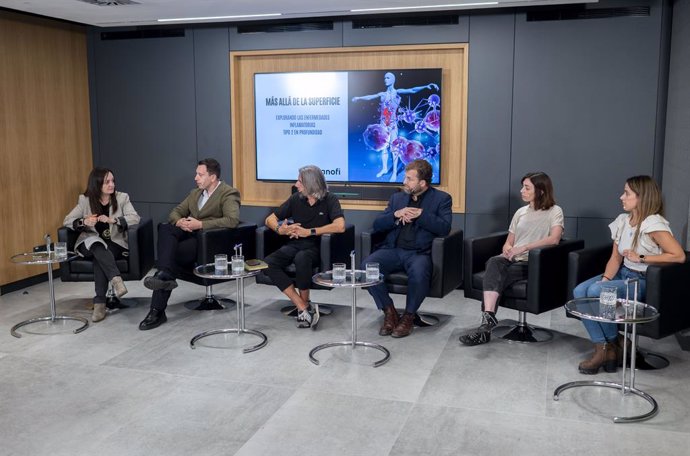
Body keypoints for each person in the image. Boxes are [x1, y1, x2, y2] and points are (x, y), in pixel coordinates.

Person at [573, 175, 685, 374]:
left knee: (599, 291)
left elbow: (678, 256)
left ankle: (606, 350)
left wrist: (641, 257)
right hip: (622, 274)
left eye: (627, 193)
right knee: (581, 291)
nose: (621, 197)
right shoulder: (623, 221)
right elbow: (615, 258)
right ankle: (608, 346)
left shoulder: (653, 224)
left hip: (642, 280)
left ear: (641, 197)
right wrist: (606, 279)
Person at [460, 172, 564, 346]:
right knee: (494, 262)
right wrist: (508, 249)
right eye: (522, 186)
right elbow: (509, 241)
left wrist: (524, 247)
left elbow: (554, 239)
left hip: (534, 263)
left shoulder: (555, 211)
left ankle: (485, 328)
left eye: (527, 187)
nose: (522, 191)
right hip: (513, 260)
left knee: (494, 275)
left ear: (540, 191)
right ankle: (488, 321)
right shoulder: (521, 212)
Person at [140, 158, 240, 330]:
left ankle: (157, 310)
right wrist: (180, 222)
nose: (196, 178)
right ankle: (163, 275)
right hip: (187, 234)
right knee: (165, 227)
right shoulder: (195, 193)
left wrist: (200, 225)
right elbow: (175, 212)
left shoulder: (228, 193)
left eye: (200, 175)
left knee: (169, 258)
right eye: (196, 174)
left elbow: (232, 220)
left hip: (205, 242)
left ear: (213, 177)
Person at [361, 159, 451, 338]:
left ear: (422, 183)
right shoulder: (397, 198)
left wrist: (421, 215)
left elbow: (444, 228)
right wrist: (396, 214)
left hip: (419, 253)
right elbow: (378, 224)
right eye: (405, 177)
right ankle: (389, 311)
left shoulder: (442, 199)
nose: (404, 182)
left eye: (409, 179)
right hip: (393, 249)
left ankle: (408, 316)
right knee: (367, 266)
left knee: (419, 273)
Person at [263, 165, 345, 329]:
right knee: (269, 263)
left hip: (316, 246)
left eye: (300, 181)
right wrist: (281, 229)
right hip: (294, 243)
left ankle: (304, 308)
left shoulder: (330, 199)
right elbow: (269, 219)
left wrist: (310, 232)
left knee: (302, 258)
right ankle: (302, 306)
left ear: (311, 184)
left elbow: (340, 226)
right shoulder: (296, 199)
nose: (296, 184)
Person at [64, 167, 141, 322]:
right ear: (97, 184)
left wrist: (114, 220)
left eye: (112, 181)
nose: (111, 185)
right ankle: (116, 279)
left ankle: (99, 302)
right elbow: (67, 220)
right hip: (90, 241)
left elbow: (135, 217)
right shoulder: (85, 200)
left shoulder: (121, 198)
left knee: (101, 256)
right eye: (107, 182)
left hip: (114, 241)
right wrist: (84, 221)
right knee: (97, 246)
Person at [352, 72, 439, 182]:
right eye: (384, 78)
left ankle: (393, 174)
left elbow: (412, 90)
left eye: (387, 78)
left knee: (395, 149)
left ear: (393, 80)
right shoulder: (382, 94)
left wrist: (426, 86)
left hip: (393, 125)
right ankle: (384, 169)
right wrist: (359, 97)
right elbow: (370, 97)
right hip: (383, 125)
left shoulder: (397, 93)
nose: (385, 80)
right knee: (383, 149)